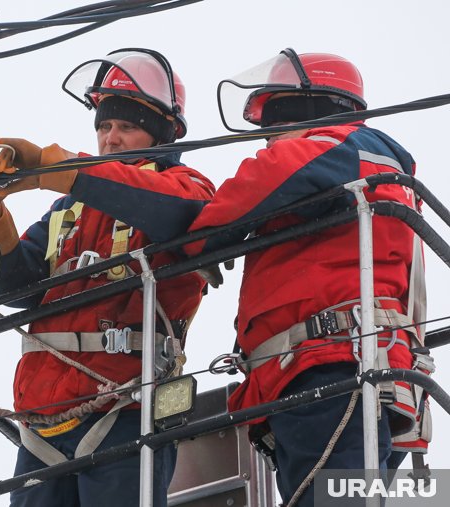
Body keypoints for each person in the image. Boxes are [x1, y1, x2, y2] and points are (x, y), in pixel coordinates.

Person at [0, 48, 215, 506]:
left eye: (126, 127)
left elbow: (173, 210)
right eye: (103, 126)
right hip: (44, 417)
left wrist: (62, 169)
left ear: (163, 134)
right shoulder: (69, 209)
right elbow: (13, 288)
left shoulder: (187, 186)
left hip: (127, 406)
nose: (110, 138)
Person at [183, 49, 433, 506]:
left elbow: (270, 174)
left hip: (329, 367)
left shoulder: (344, 147)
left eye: (274, 127)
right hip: (336, 371)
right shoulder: (346, 174)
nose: (266, 144)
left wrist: (197, 240)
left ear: (308, 110)